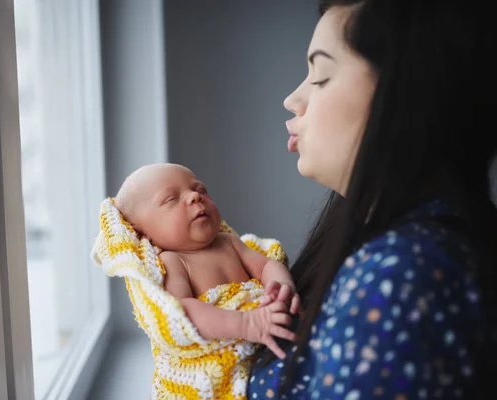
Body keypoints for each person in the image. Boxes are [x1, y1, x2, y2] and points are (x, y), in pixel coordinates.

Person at [248, 0, 497, 398]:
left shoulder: (402, 274)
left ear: (407, 94)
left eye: (321, 76)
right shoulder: (401, 249)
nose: (293, 100)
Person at [115, 162, 300, 359]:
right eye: (171, 199)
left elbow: (266, 266)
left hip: (266, 325)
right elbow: (181, 312)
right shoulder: (173, 262)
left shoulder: (229, 242)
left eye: (199, 189)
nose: (195, 196)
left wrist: (282, 286)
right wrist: (247, 323)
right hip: (227, 349)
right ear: (142, 232)